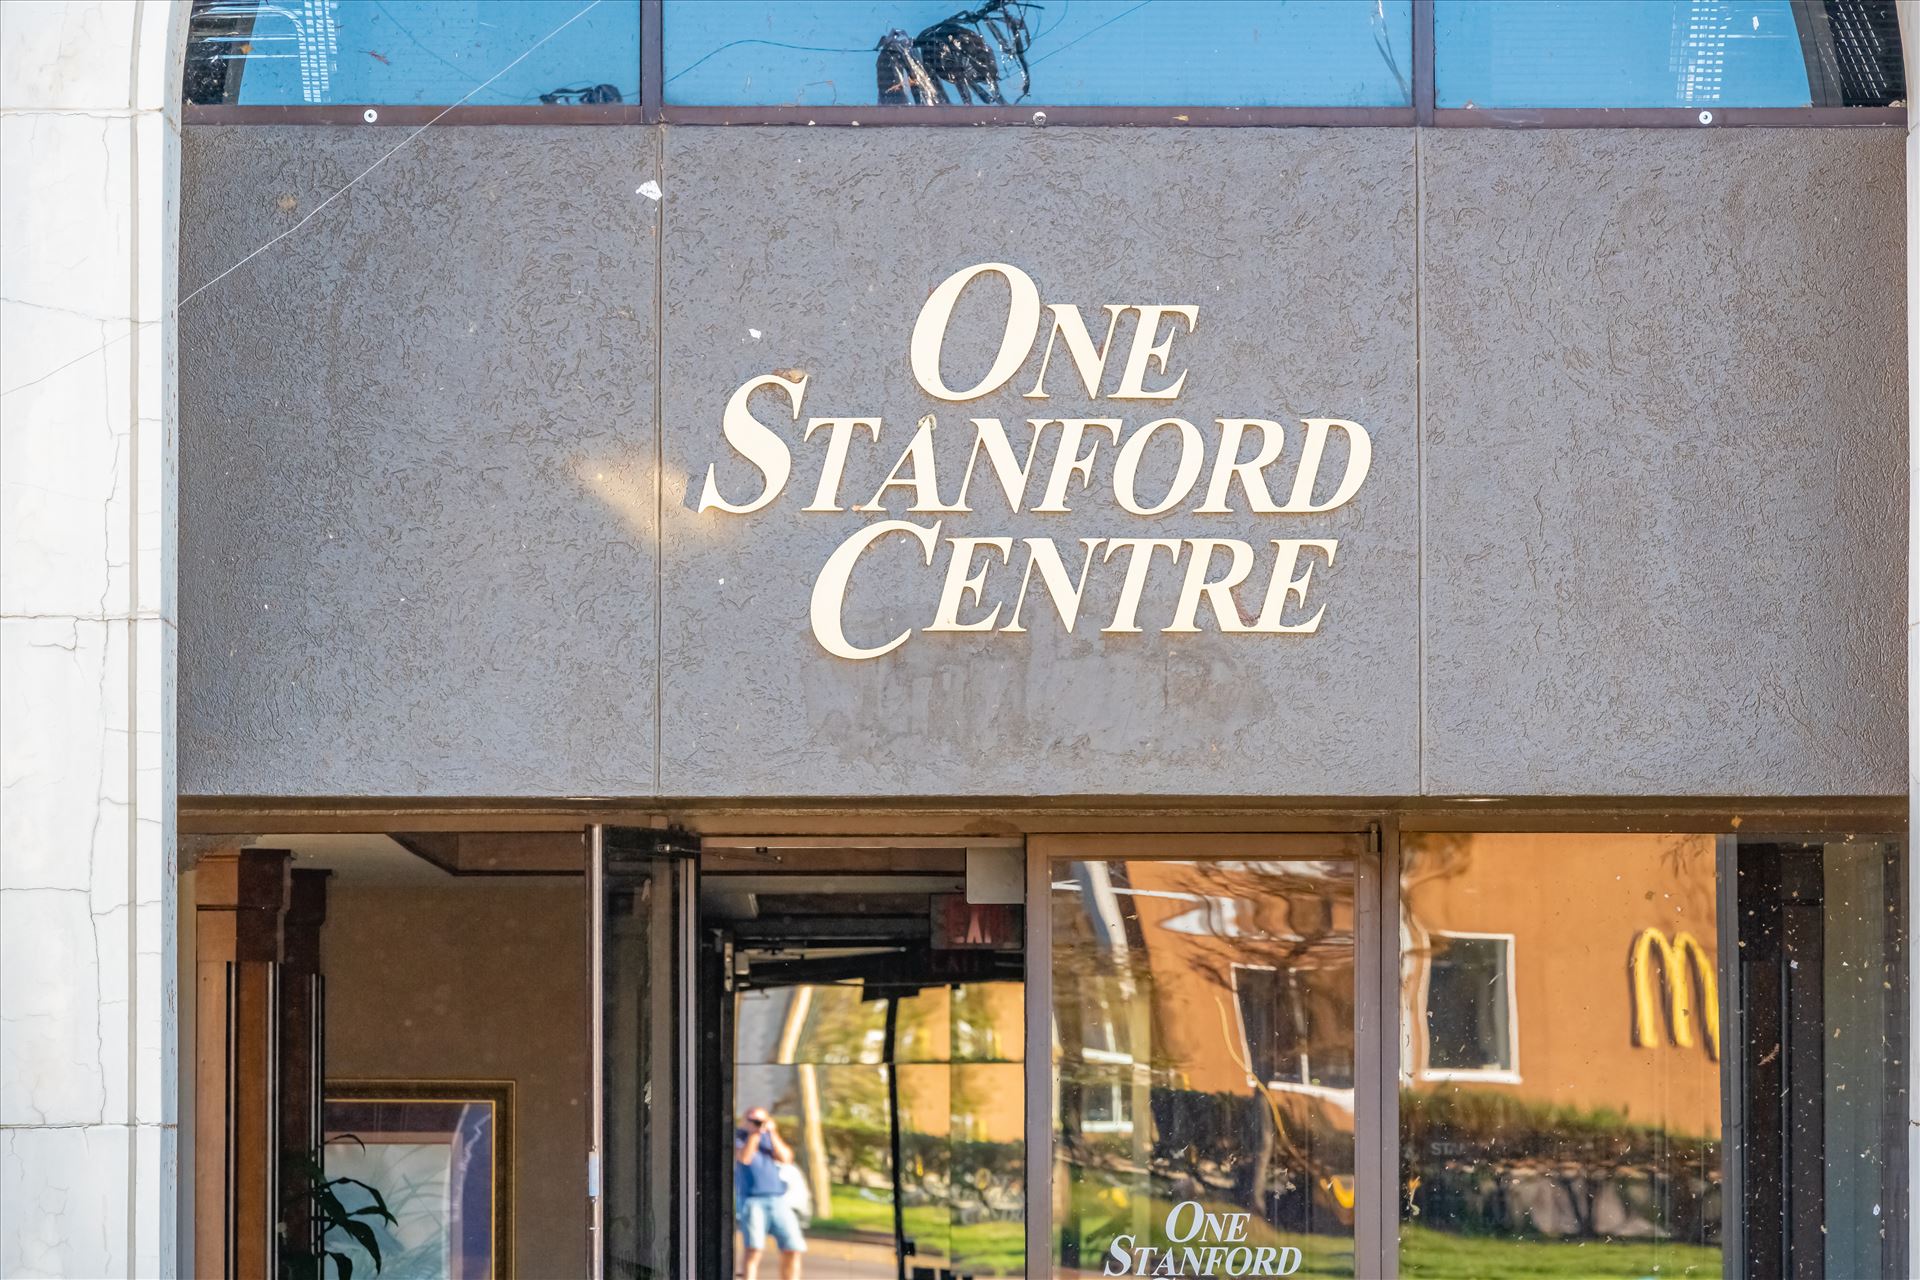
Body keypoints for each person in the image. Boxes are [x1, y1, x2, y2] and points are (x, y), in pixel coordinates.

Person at [734, 1106, 806, 1280]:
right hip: (752, 1200)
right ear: (745, 1120)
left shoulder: (770, 1137)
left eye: (760, 1120)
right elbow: (744, 1158)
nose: (757, 1124)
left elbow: (786, 1158)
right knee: (754, 1249)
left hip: (778, 1199)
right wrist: (754, 1134)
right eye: (753, 1120)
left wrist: (772, 1133)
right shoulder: (739, 1137)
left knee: (793, 1247)